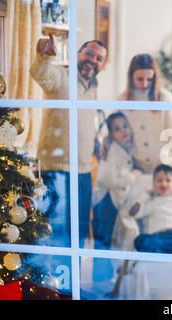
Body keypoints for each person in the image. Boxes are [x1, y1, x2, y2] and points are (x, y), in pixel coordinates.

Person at [30, 35, 108, 247]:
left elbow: (82, 121)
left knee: (78, 232)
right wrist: (44, 56)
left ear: (103, 64)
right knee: (51, 230)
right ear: (77, 55)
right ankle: (49, 280)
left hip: (82, 170)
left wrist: (96, 142)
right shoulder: (61, 76)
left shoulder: (92, 87)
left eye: (99, 58)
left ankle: (73, 279)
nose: (93, 59)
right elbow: (39, 73)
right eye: (89, 53)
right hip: (53, 169)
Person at [117, 54, 172, 197]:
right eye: (140, 79)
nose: (145, 84)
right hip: (137, 172)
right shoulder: (122, 101)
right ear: (131, 77)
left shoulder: (165, 98)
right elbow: (117, 137)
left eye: (149, 79)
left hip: (165, 171)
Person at [92, 112, 143, 252]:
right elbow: (108, 180)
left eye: (125, 126)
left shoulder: (123, 149)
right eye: (117, 129)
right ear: (111, 134)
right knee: (103, 239)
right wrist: (132, 177)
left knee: (108, 239)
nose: (123, 130)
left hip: (112, 200)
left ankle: (105, 271)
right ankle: (101, 272)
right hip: (105, 200)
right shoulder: (113, 151)